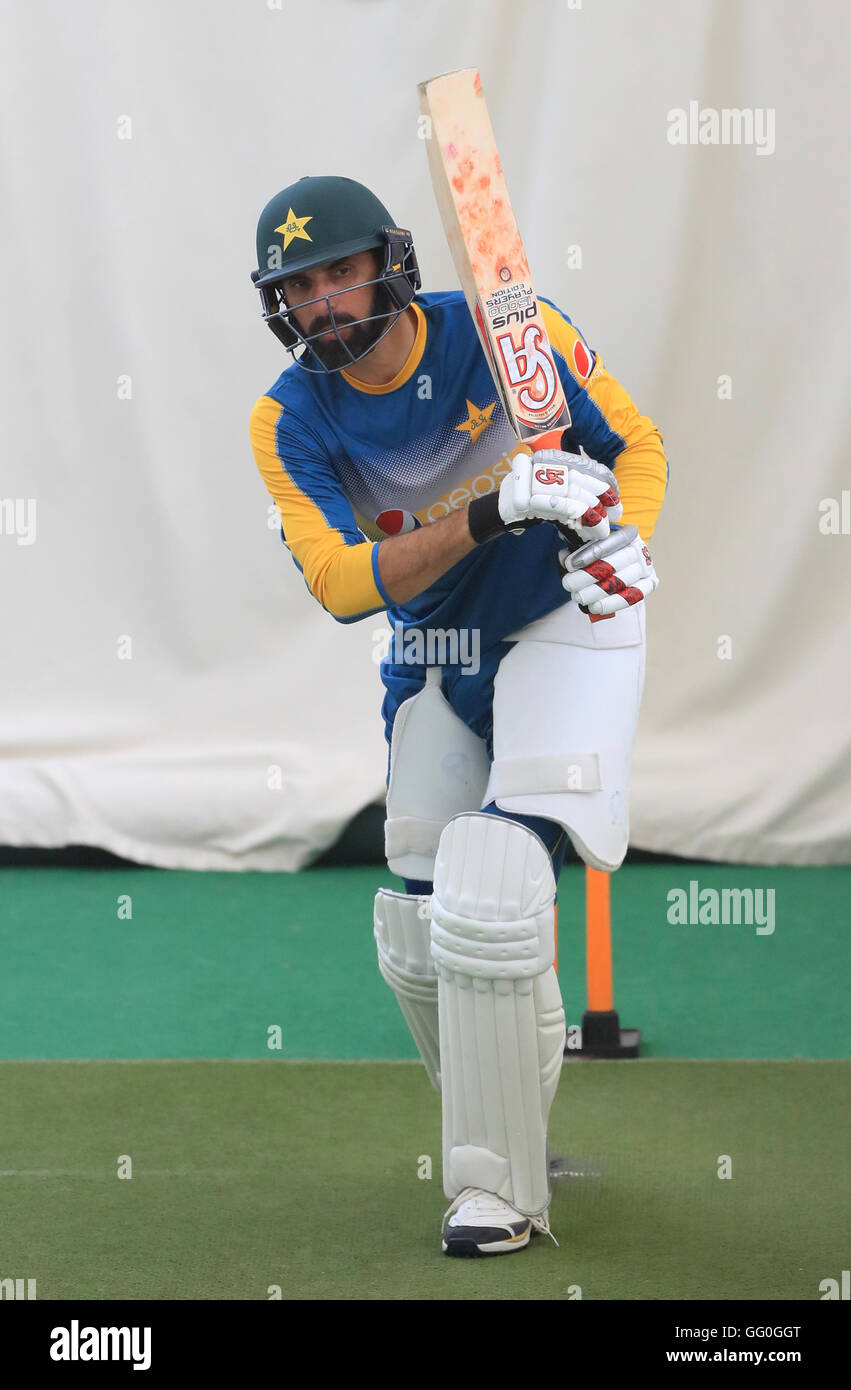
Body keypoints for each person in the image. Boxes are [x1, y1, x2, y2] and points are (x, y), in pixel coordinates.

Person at [249, 175, 667, 1257]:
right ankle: (514, 1133)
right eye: (301, 288)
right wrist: (491, 508)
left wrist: (625, 540)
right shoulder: (288, 418)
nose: (326, 304)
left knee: (492, 883)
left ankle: (496, 1190)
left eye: (341, 273)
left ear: (390, 261)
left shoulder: (509, 333)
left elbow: (634, 449)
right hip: (437, 648)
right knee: (422, 920)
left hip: (560, 618)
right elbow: (342, 584)